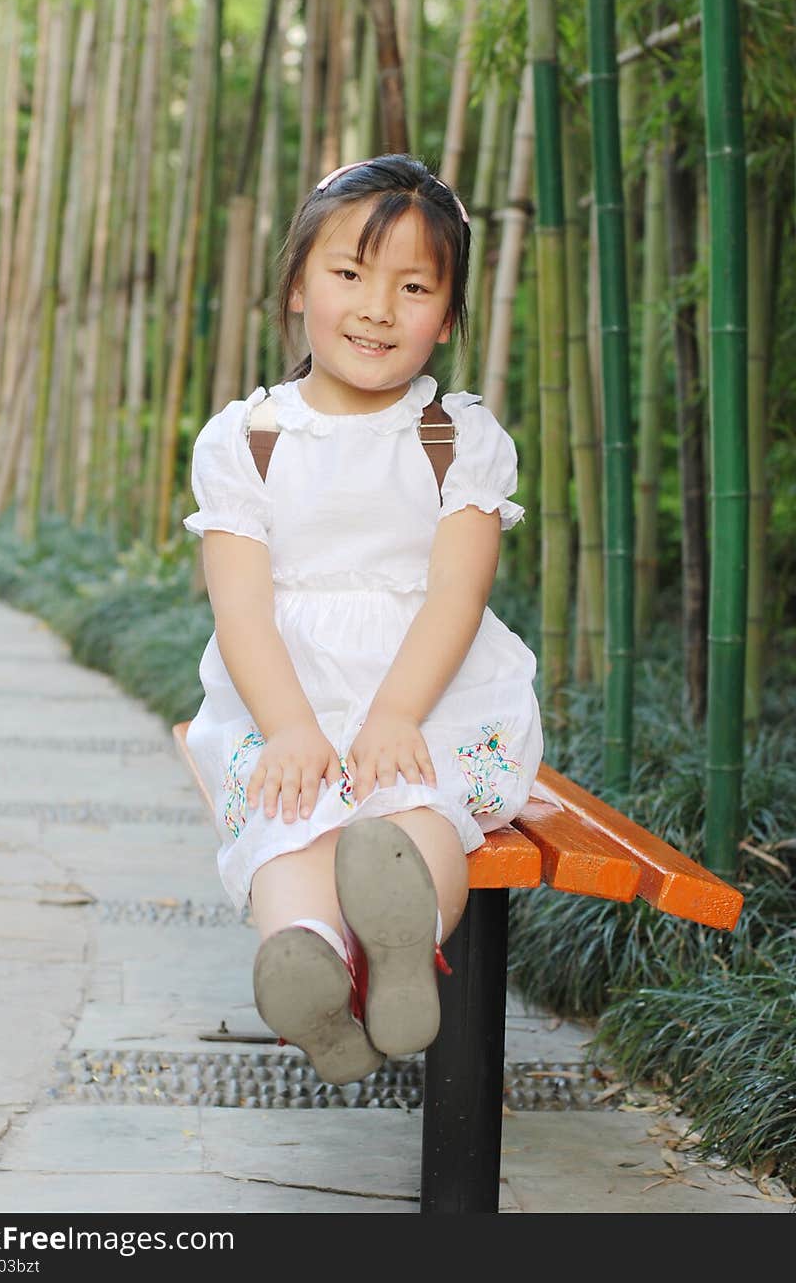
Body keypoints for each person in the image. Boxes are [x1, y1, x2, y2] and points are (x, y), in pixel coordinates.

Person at [182, 154, 543, 1085]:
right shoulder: (249, 441)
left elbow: (457, 595)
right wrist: (293, 725)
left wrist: (392, 715)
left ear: (449, 314)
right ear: (298, 283)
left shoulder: (457, 440)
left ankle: (400, 943)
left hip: (421, 690)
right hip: (287, 684)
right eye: (349, 274)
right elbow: (241, 603)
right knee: (289, 820)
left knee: (417, 812)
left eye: (413, 286)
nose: (378, 307)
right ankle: (304, 955)